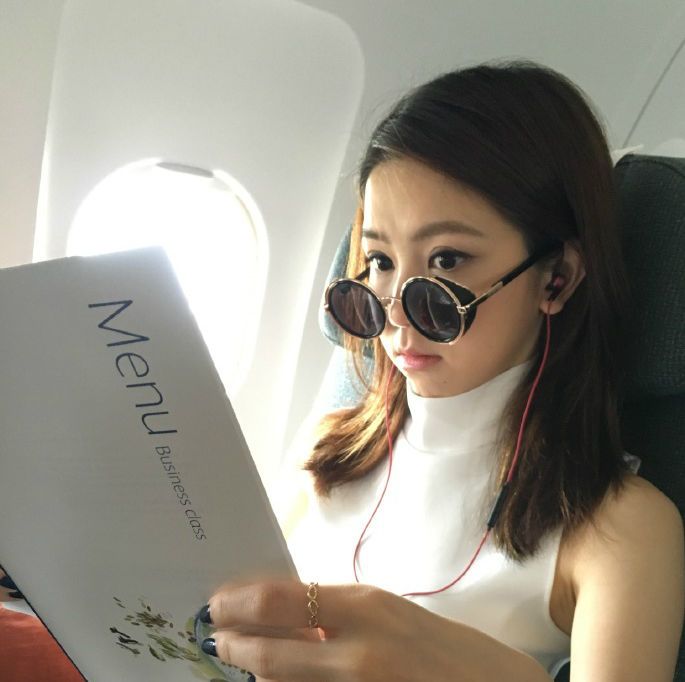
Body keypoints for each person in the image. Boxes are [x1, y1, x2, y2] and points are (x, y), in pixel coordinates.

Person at [197, 60, 685, 681]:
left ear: (556, 278)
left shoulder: (620, 528)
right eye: (379, 261)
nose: (396, 313)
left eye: (447, 260)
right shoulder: (326, 452)